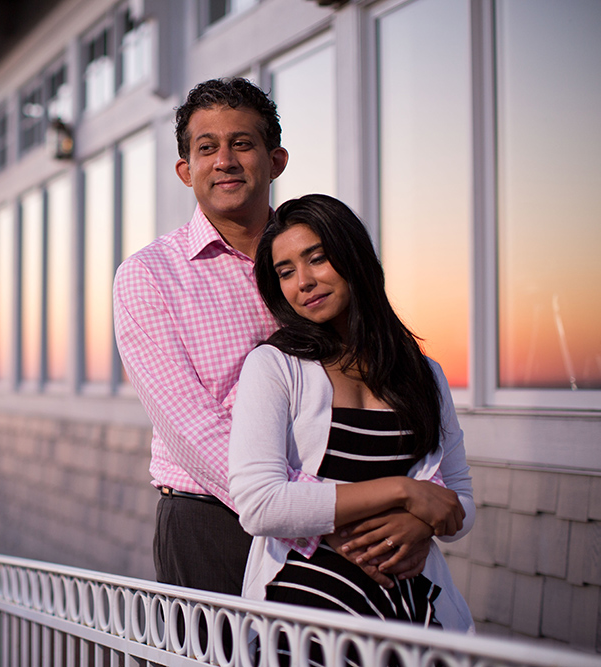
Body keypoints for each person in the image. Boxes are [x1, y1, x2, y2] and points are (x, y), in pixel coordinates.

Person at [228, 194, 475, 632]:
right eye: (286, 272)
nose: (303, 282)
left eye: (317, 259)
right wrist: (403, 491)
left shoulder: (426, 376)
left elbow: (458, 503)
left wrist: (419, 524)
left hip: (411, 615)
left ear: (353, 256)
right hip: (305, 620)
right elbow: (260, 504)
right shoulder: (274, 366)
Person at [113, 77, 287, 594]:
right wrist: (306, 508)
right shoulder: (150, 275)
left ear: (275, 160)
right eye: (207, 148)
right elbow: (191, 428)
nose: (225, 160)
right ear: (186, 171)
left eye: (242, 143)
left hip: (330, 508)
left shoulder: (314, 262)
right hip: (212, 524)